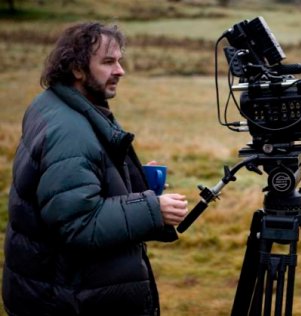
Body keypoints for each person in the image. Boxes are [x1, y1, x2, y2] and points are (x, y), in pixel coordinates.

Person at [2, 22, 188, 315]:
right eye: (108, 62)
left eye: (120, 60)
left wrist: (134, 180)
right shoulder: (69, 132)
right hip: (68, 300)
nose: (120, 70)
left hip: (62, 289)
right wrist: (152, 209)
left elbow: (81, 184)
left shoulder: (57, 103)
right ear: (77, 69)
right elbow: (78, 222)